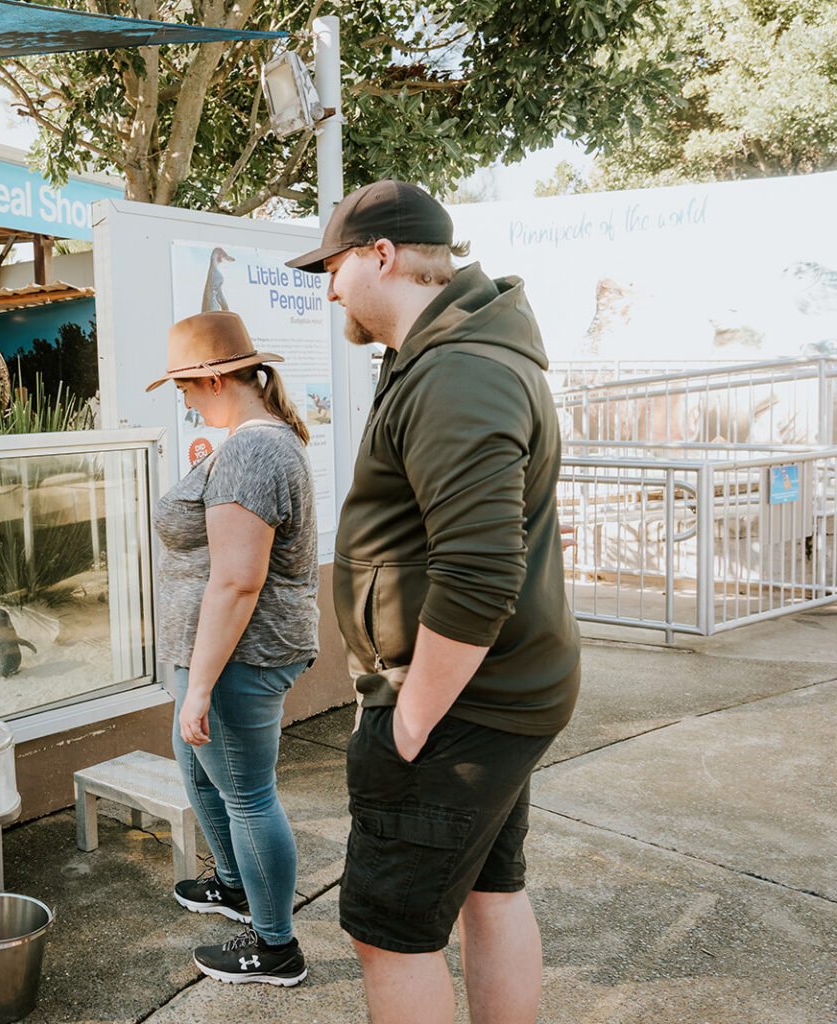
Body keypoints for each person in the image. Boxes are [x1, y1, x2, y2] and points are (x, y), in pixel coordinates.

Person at [288, 180, 580, 1023]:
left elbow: (479, 574)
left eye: (333, 268)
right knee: (490, 891)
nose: (330, 287)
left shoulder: (456, 372)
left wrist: (408, 721)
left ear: (380, 257)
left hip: (457, 708)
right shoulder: (454, 354)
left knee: (392, 932)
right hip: (493, 694)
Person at [147, 310, 319, 987]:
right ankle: (233, 883)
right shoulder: (259, 441)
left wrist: (198, 687)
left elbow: (237, 581)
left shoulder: (252, 451)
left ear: (216, 378)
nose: (184, 401)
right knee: (203, 771)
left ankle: (275, 945)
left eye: (186, 388)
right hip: (227, 656)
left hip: (238, 659)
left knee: (248, 794)